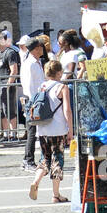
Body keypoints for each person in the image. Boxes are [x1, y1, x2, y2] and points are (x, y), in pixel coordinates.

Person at [28, 60, 74, 203]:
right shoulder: (62, 87)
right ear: (59, 72)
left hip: (42, 129)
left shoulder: (42, 86)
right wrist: (70, 130)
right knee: (57, 160)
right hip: (58, 129)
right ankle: (56, 194)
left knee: (44, 159)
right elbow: (67, 110)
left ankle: (36, 182)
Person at [19, 36, 46, 170]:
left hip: (37, 99)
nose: (42, 49)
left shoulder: (36, 62)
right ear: (36, 49)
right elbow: (29, 85)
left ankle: (37, 159)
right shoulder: (29, 64)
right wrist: (34, 101)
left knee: (37, 130)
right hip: (33, 100)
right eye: (41, 46)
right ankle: (28, 160)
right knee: (31, 131)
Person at [0, 30, 21, 148]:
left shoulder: (10, 53)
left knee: (10, 110)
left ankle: (13, 133)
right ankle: (5, 134)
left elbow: (14, 70)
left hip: (6, 85)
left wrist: (8, 85)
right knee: (1, 111)